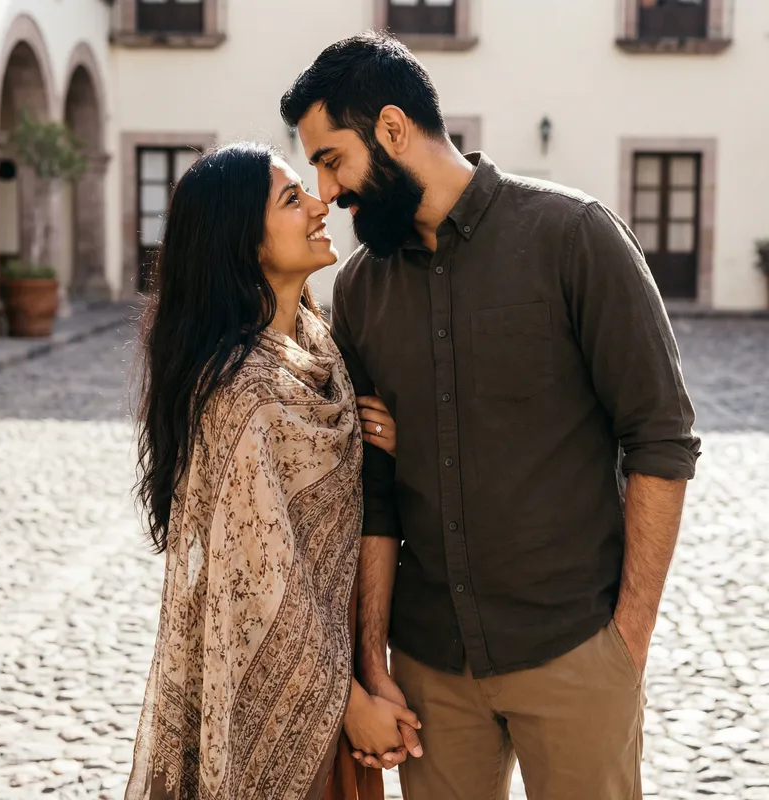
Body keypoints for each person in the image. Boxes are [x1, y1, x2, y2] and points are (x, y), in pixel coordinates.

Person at [281, 32, 702, 800]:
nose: (328, 191)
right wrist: (371, 661)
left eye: (332, 158)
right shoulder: (364, 292)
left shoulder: (575, 237)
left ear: (393, 129)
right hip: (431, 672)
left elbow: (662, 441)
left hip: (573, 653)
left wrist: (626, 643)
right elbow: (371, 492)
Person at [126, 141, 417, 800]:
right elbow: (265, 591)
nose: (321, 203)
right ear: (247, 245)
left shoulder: (319, 354)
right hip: (277, 693)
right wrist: (353, 706)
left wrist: (386, 447)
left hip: (336, 672)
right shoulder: (239, 392)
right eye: (292, 199)